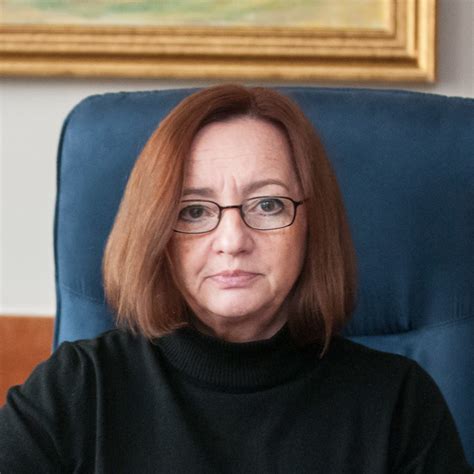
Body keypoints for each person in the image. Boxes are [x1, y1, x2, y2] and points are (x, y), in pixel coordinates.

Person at [0, 85, 470, 473]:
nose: (232, 240)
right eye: (194, 211)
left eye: (268, 205)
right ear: (156, 232)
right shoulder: (78, 388)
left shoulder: (399, 404)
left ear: (312, 226)